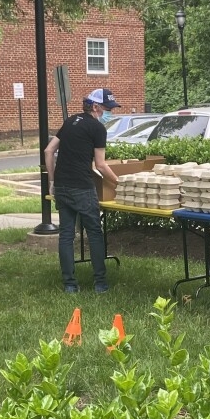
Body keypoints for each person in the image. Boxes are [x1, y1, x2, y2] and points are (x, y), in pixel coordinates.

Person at [44, 88, 121, 293]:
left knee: (66, 235)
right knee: (95, 233)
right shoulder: (97, 129)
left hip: (61, 186)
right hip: (82, 187)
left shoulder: (70, 122)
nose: (108, 113)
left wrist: (52, 180)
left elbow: (49, 150)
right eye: (106, 108)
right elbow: (101, 165)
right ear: (95, 107)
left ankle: (69, 284)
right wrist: (120, 184)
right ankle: (100, 283)